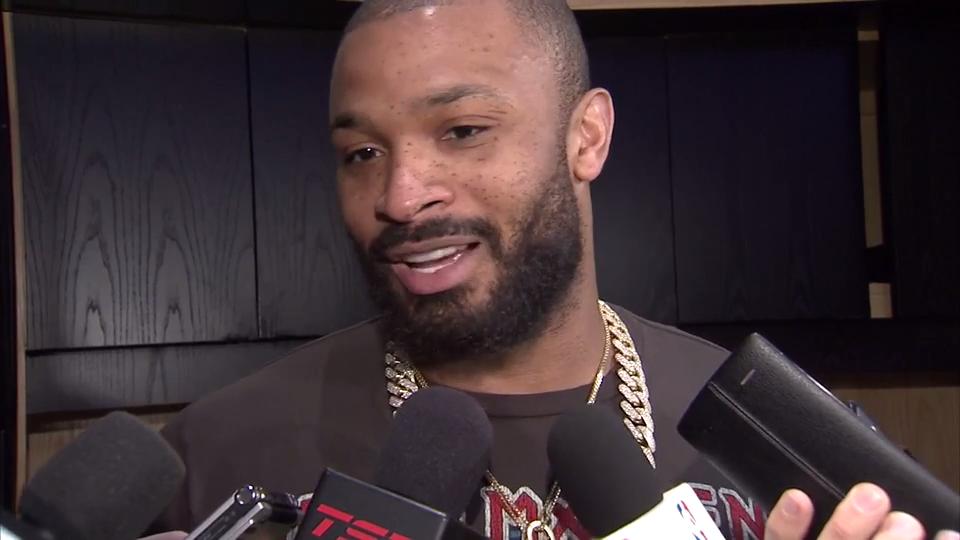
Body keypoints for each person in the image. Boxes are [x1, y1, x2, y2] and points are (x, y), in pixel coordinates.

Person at [153, 1, 956, 539]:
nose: (400, 196)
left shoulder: (787, 457)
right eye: (362, 152)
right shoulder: (217, 458)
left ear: (587, 138)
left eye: (463, 131)